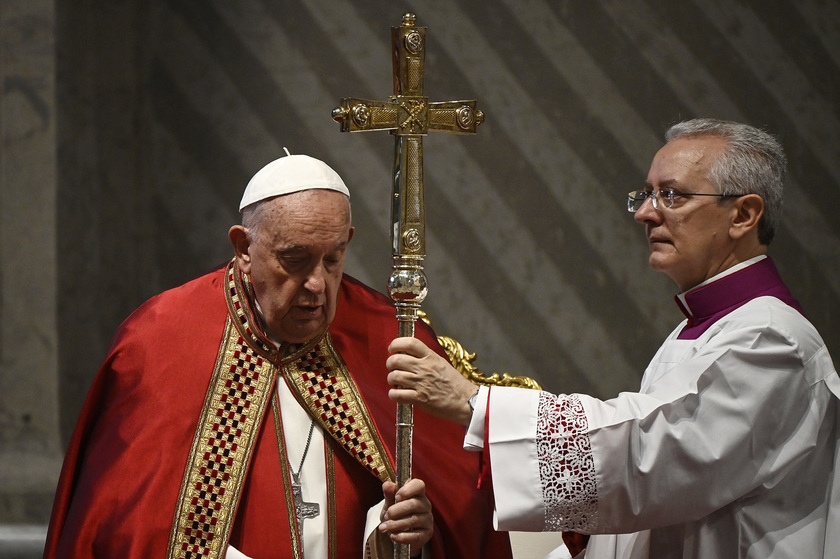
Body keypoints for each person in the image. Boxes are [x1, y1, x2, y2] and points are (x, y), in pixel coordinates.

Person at [386, 118, 840, 558]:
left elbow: (650, 459)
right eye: (646, 194)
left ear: (743, 214)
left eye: (671, 195)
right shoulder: (703, 327)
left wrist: (473, 401)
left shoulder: (772, 341)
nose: (645, 212)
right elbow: (653, 505)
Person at [43, 153, 512, 559]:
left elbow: (466, 519)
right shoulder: (161, 339)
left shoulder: (388, 337)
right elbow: (119, 528)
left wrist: (404, 536)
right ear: (244, 248)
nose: (316, 284)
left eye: (333, 259)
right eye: (295, 258)